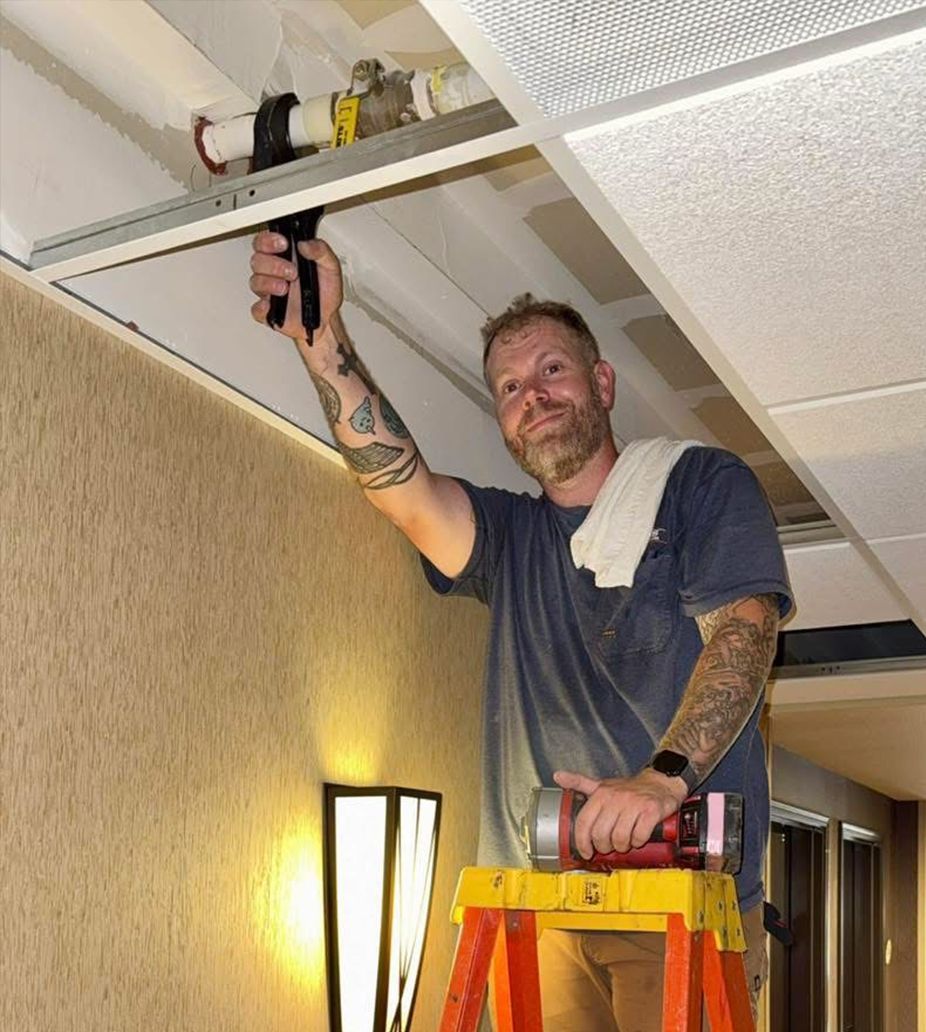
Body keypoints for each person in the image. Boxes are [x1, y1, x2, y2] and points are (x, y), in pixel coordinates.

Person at [248, 233, 792, 1030]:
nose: (531, 395)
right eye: (509, 387)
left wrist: (661, 780)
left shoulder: (698, 487)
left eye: (551, 370)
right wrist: (319, 338)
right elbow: (400, 489)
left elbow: (744, 632)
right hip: (537, 906)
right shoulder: (510, 538)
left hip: (678, 902)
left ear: (601, 382)